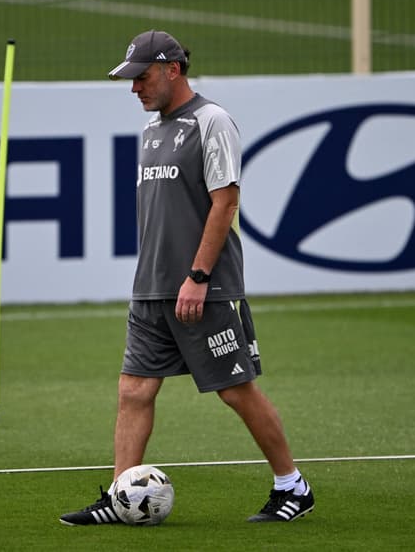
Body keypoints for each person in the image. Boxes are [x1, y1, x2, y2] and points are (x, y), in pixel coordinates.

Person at [59, 30, 314, 525]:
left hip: (204, 287)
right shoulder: (153, 131)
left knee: (235, 389)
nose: (134, 87)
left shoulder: (211, 121)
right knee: (133, 391)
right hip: (151, 288)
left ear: (172, 68)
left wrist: (197, 275)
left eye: (141, 76)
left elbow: (226, 202)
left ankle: (293, 486)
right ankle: (120, 495)